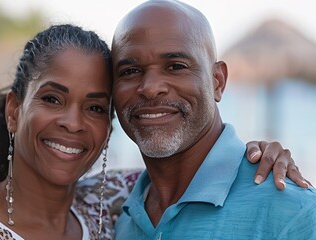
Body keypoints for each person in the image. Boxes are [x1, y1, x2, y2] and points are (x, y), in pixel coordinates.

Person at [0, 22, 308, 240]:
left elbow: (195, 168)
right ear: (15, 111)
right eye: (52, 99)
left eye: (95, 107)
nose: (73, 122)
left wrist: (258, 155)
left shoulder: (111, 206)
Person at [111, 1, 316, 239]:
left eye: (176, 66)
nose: (150, 88)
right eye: (130, 71)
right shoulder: (122, 215)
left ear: (217, 81)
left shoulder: (292, 212)